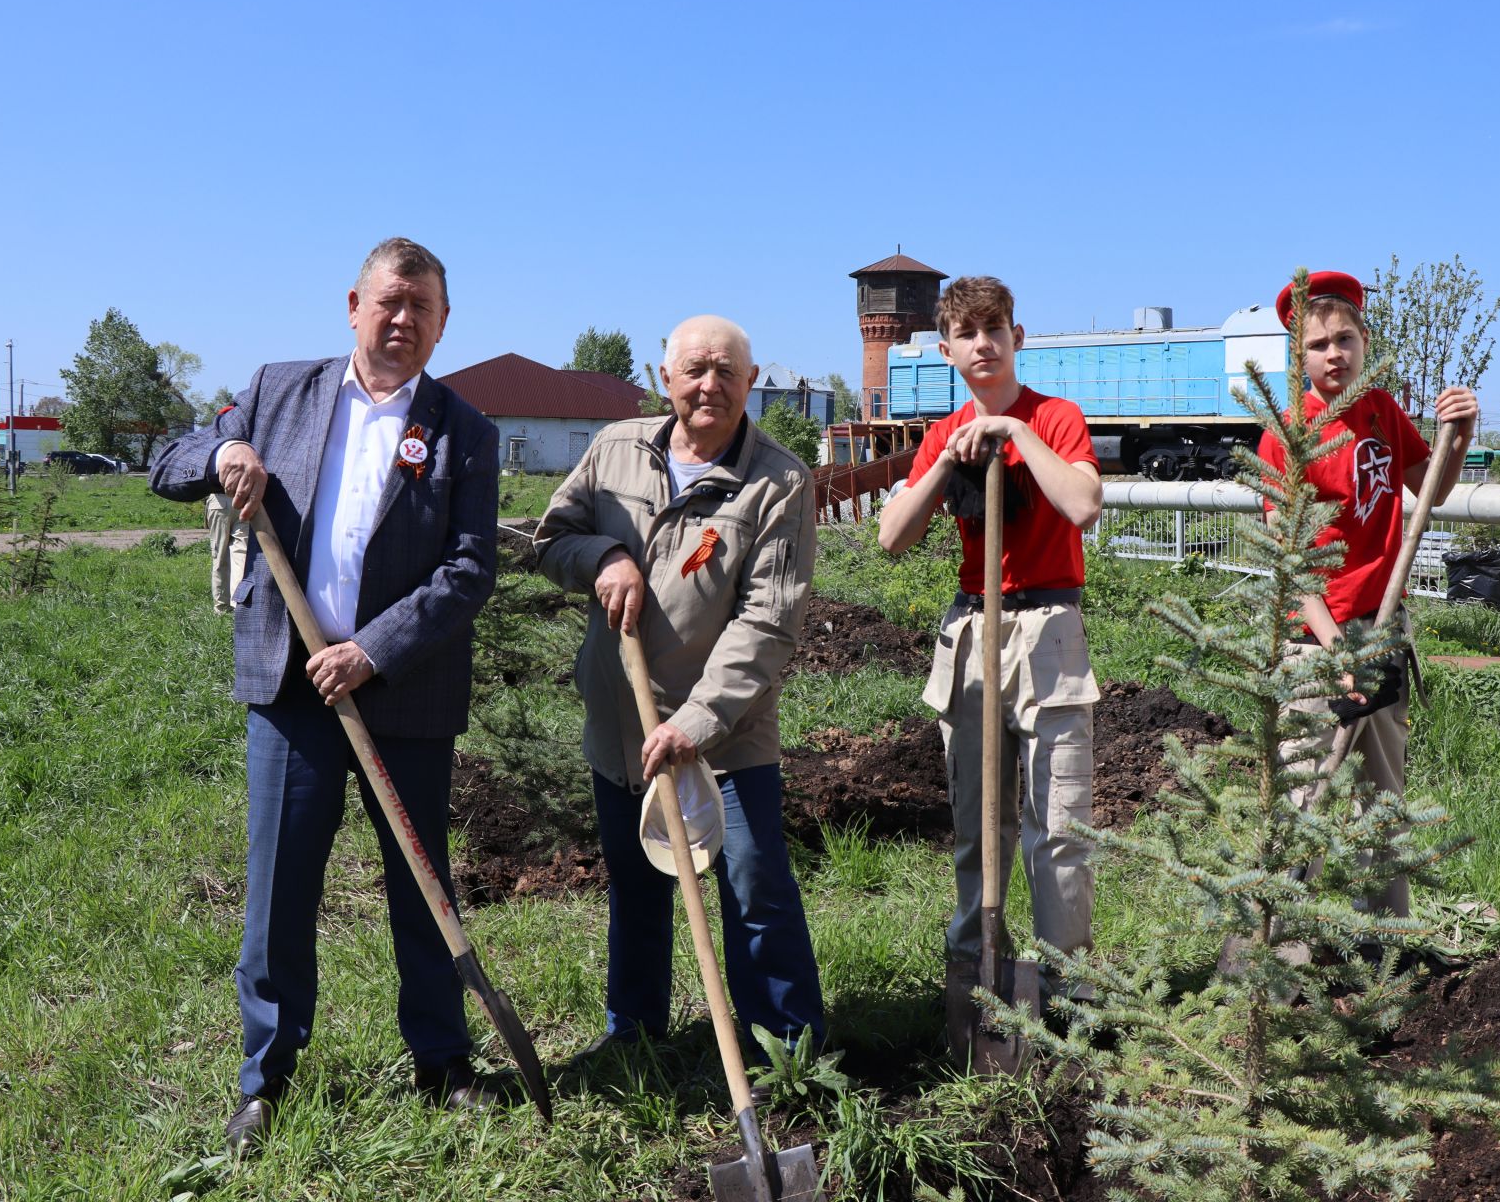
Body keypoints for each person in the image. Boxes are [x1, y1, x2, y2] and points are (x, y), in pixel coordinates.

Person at [149, 238, 501, 1155]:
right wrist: (226, 448)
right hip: (293, 694)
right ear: (353, 304)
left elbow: (469, 573)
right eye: (389, 302)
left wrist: (370, 653)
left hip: (406, 695)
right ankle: (266, 1079)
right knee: (278, 893)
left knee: (423, 888)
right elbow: (171, 458)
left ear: (443, 323)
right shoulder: (278, 392)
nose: (402, 321)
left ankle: (442, 1062)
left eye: (422, 309)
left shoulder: (465, 430)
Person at [533, 314, 826, 1059]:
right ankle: (633, 1037)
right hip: (622, 722)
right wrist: (602, 555)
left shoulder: (779, 483)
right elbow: (551, 538)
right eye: (695, 369)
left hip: (725, 733)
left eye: (727, 371)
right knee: (635, 887)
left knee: (754, 884)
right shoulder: (614, 449)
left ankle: (788, 1052)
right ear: (666, 380)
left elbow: (767, 625)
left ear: (751, 384)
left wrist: (695, 723)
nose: (710, 385)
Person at [877, 276, 1104, 1023]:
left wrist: (1013, 434)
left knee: (1060, 824)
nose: (983, 344)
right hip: (974, 631)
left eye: (995, 329)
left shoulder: (1057, 417)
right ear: (947, 350)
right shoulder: (942, 434)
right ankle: (979, 968)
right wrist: (946, 461)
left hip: (1048, 631)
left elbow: (1082, 505)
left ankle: (1066, 989)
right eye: (967, 334)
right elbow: (891, 538)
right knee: (981, 824)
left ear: (1017, 337)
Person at [1259, 270, 1477, 921]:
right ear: (1298, 356)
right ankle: (1279, 954)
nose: (1334, 354)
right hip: (1316, 645)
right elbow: (1291, 563)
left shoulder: (1380, 410)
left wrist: (1458, 436)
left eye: (1345, 339)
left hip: (1382, 632)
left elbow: (1430, 490)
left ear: (1364, 338)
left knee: (1381, 800)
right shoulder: (1288, 435)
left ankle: (1385, 946)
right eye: (1318, 345)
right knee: (1306, 796)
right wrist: (1334, 652)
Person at [205, 489, 250, 614]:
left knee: (219, 556)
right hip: (243, 500)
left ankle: (221, 607)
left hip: (219, 501)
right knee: (241, 556)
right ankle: (239, 604)